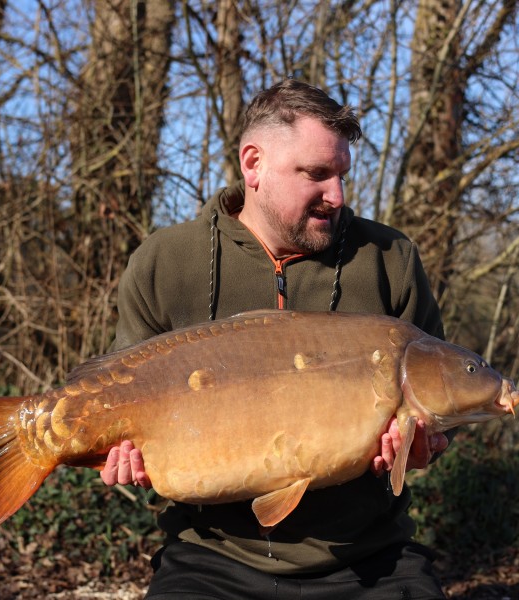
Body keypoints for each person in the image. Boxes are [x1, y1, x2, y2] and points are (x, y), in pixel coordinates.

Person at [101, 79, 451, 599]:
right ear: (253, 164)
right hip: (211, 555)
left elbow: (444, 391)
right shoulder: (167, 262)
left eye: (341, 175)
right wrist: (118, 450)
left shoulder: (388, 259)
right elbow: (118, 392)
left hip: (366, 554)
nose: (337, 196)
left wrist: (426, 445)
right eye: (317, 174)